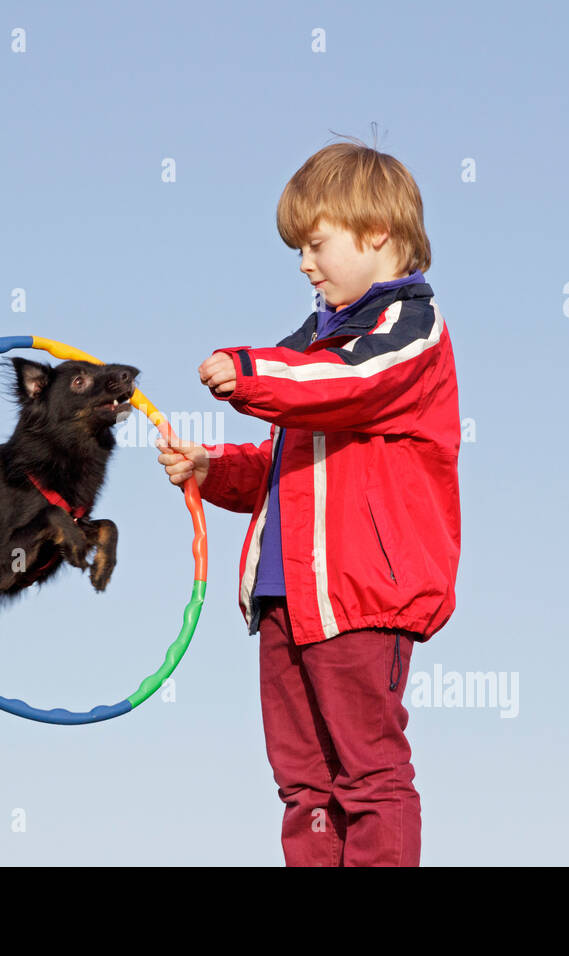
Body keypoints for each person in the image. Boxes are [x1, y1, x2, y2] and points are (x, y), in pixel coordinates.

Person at [155, 138, 461, 866]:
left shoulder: (407, 331)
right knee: (303, 785)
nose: (304, 263)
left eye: (316, 244)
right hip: (284, 598)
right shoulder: (319, 342)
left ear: (375, 233)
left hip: (360, 594)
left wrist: (252, 369)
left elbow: (342, 384)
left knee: (370, 773)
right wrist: (210, 468)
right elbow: (288, 457)